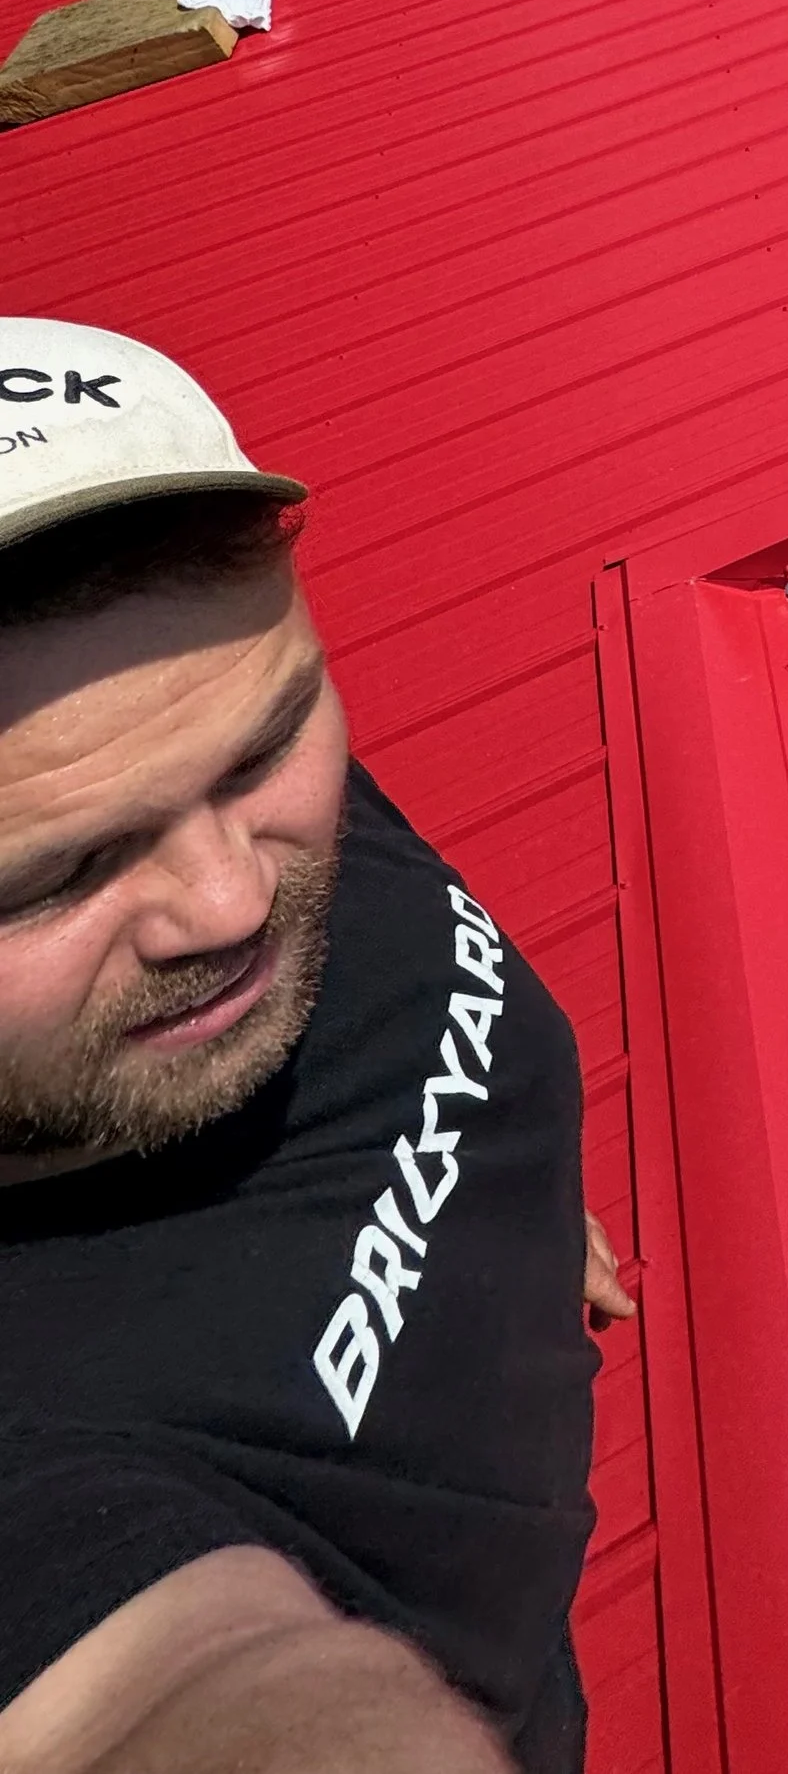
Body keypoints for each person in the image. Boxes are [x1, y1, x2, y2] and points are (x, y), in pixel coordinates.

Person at [0, 320, 630, 1773]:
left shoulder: (182, 756)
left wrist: (494, 1188)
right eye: (55, 877)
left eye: (264, 749)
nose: (227, 903)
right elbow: (172, 1694)